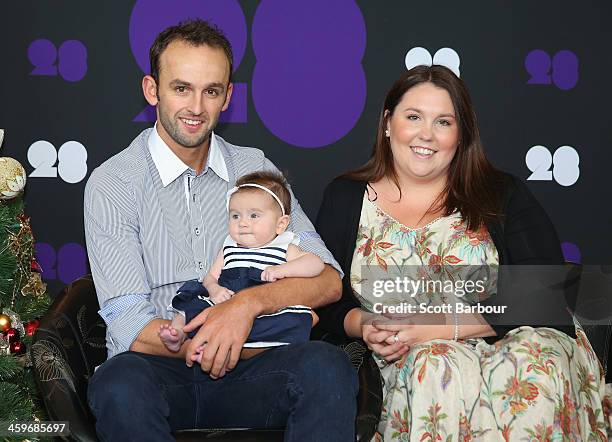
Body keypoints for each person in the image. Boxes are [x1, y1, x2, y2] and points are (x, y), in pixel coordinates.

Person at [84, 19, 357, 441]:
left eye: (211, 91)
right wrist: (210, 336)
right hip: (159, 370)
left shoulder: (253, 167)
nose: (196, 107)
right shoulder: (113, 182)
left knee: (326, 367)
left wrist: (244, 308)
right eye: (181, 88)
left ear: (228, 97)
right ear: (151, 90)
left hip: (252, 370)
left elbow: (327, 280)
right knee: (118, 384)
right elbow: (128, 321)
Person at [313, 65, 608, 440]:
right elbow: (325, 298)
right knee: (433, 366)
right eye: (414, 117)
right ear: (388, 123)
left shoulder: (501, 192)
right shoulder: (346, 197)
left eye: (443, 122)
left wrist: (437, 326)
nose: (426, 135)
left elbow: (545, 287)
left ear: (461, 135)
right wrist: (365, 325)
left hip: (516, 338)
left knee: (533, 365)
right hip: (414, 357)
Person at [159, 170, 323, 357]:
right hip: (225, 299)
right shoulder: (229, 247)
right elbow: (210, 277)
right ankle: (178, 334)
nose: (242, 223)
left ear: (280, 224)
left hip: (261, 306)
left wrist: (282, 269)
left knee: (298, 318)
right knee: (191, 303)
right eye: (235, 216)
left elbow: (315, 263)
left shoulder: (284, 247)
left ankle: (226, 347)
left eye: (254, 216)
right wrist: (214, 290)